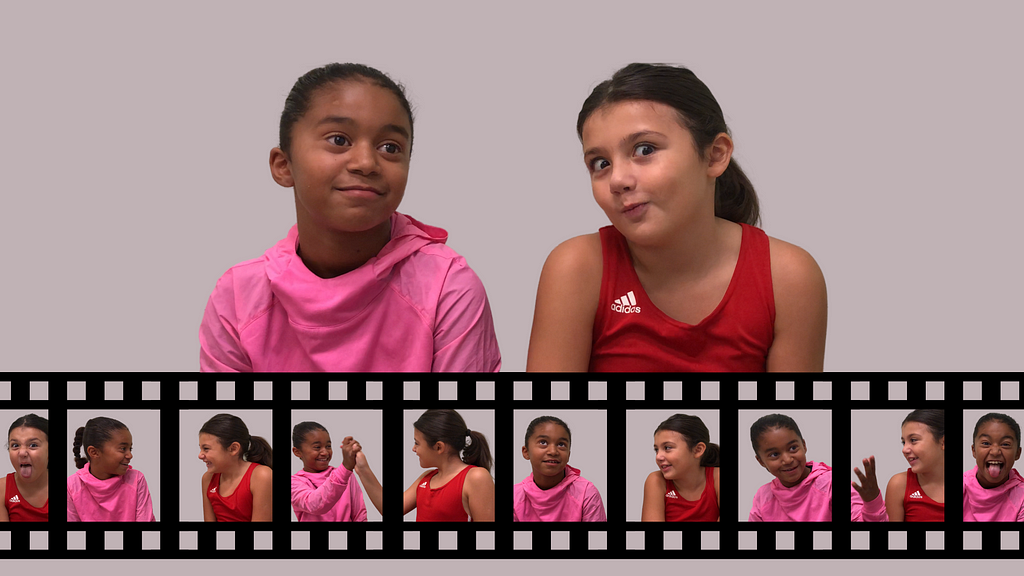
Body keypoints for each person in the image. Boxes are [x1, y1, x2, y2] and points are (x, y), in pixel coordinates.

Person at [199, 63, 501, 372]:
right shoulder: (237, 298)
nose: (366, 163)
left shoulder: (447, 288)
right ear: (283, 165)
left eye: (390, 147)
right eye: (339, 140)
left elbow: (458, 418)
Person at [527, 63, 826, 372]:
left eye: (644, 149)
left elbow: (791, 418)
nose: (617, 180)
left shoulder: (788, 277)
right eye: (600, 163)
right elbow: (545, 415)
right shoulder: (576, 268)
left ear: (715, 155)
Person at [403, 409, 494, 522]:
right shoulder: (425, 478)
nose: (414, 449)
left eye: (417, 443)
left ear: (439, 447)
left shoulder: (476, 477)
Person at [513, 416, 606, 522]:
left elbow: (597, 538)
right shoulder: (515, 497)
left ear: (568, 455)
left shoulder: (586, 493)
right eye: (543, 442)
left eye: (561, 444)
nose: (553, 451)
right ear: (526, 452)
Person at [748, 413, 833, 522]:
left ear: (804, 445)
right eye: (774, 455)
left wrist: (863, 504)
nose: (787, 460)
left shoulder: (829, 484)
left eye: (793, 448)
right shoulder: (763, 497)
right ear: (761, 461)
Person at [291, 421, 383, 521]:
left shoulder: (347, 475)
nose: (325, 452)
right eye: (317, 447)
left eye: (328, 446)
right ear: (297, 452)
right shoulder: (294, 483)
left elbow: (359, 514)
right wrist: (345, 467)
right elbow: (315, 504)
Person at [67, 417, 155, 521]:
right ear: (94, 452)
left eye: (130, 449)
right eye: (123, 449)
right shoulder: (72, 486)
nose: (130, 455)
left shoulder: (137, 479)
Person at [641, 414, 719, 521]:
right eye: (656, 450)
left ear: (698, 450)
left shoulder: (717, 478)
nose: (658, 456)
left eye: (667, 447)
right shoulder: (656, 481)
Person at [199, 414, 273, 522]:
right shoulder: (208, 478)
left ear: (233, 448)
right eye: (200, 448)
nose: (200, 455)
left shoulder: (262, 476)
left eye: (206, 449)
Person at [883, 409, 944, 522]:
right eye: (903, 442)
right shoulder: (899, 485)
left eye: (913, 440)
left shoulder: (968, 486)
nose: (904, 449)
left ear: (943, 443)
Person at [963, 412, 1024, 521]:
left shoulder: (1022, 496)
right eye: (986, 443)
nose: (995, 452)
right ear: (974, 450)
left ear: (1017, 454)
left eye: (1005, 444)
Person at [2, 414, 49, 522]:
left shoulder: (71, 489)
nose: (22, 452)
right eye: (15, 445)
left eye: (33, 445)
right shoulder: (2, 490)